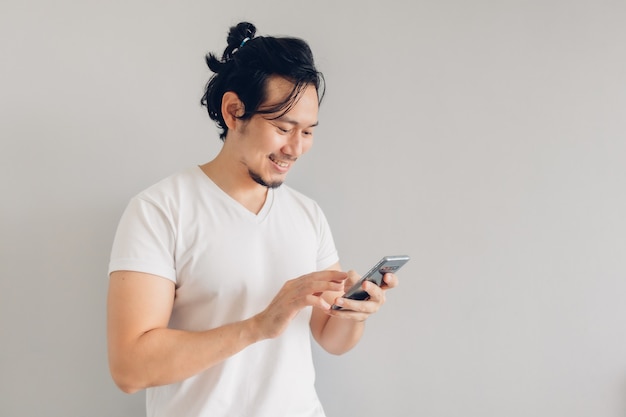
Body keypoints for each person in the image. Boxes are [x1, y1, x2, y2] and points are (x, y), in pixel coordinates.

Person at [107, 21, 399, 417]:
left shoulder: (307, 214)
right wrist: (259, 325)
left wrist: (355, 312)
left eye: (308, 132)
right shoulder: (161, 210)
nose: (296, 148)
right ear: (233, 111)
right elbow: (130, 368)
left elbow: (330, 338)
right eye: (283, 128)